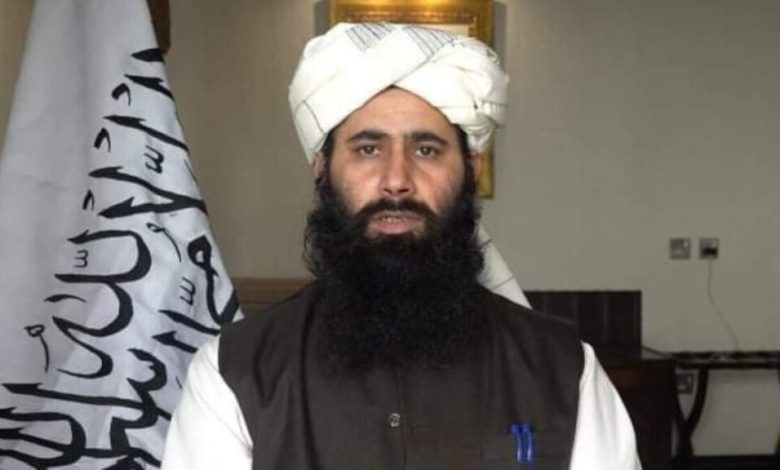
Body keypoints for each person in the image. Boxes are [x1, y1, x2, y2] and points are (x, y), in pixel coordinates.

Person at [162, 23, 641, 469]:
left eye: (426, 150)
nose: (396, 180)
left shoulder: (563, 369)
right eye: (367, 149)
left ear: (471, 168)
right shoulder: (235, 373)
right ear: (322, 167)